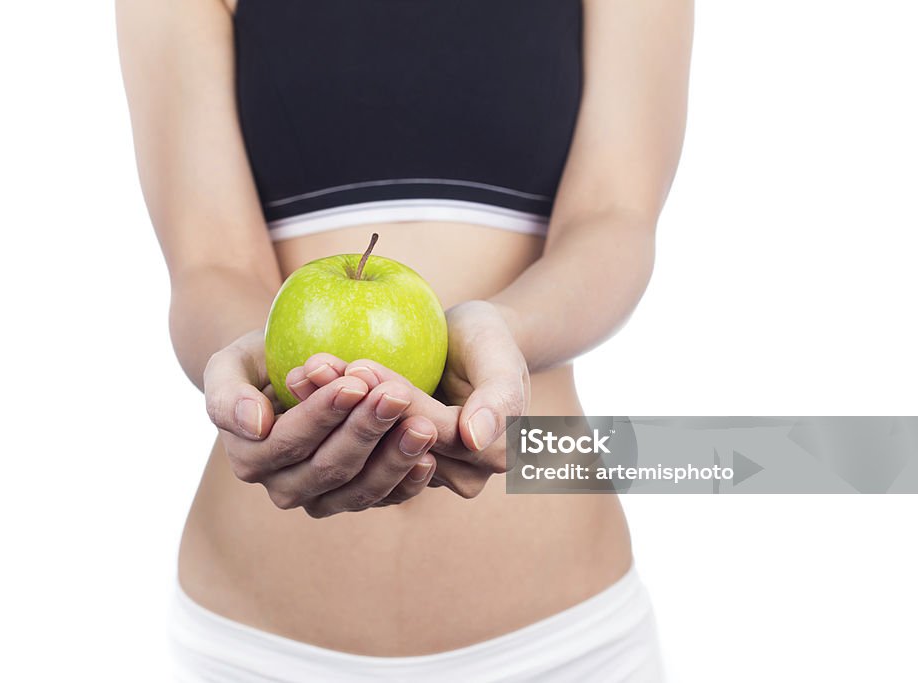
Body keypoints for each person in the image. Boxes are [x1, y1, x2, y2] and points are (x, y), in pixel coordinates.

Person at [117, 0, 692, 680]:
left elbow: (614, 219)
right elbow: (209, 264)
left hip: (565, 645)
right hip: (255, 650)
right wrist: (247, 369)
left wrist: (505, 330)